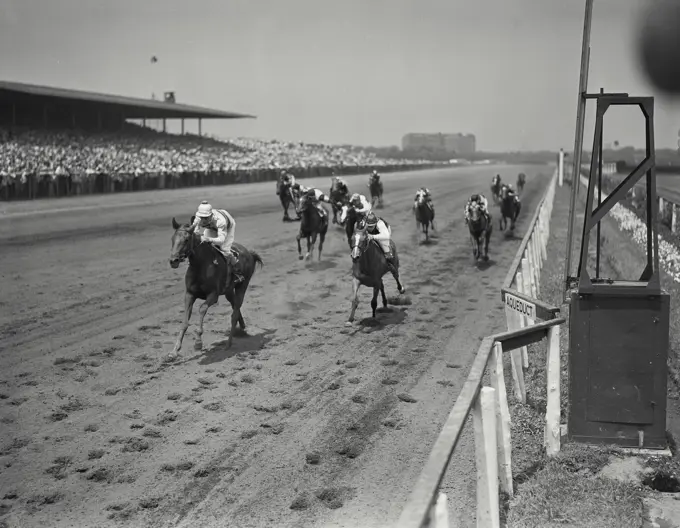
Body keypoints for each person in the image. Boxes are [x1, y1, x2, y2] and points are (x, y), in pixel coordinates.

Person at [191, 201, 244, 286]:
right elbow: (194, 232)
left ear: (211, 215)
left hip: (228, 227)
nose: (203, 220)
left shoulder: (221, 221)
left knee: (224, 250)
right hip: (212, 227)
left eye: (206, 218)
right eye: (202, 217)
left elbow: (221, 240)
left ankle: (238, 273)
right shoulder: (198, 218)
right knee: (203, 246)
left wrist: (208, 239)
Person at [363, 212, 405, 293]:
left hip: (383, 234)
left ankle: (391, 265)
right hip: (370, 235)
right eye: (368, 226)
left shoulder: (380, 224)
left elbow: (386, 236)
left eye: (372, 226)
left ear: (375, 223)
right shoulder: (363, 222)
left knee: (386, 249)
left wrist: (373, 236)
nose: (370, 228)